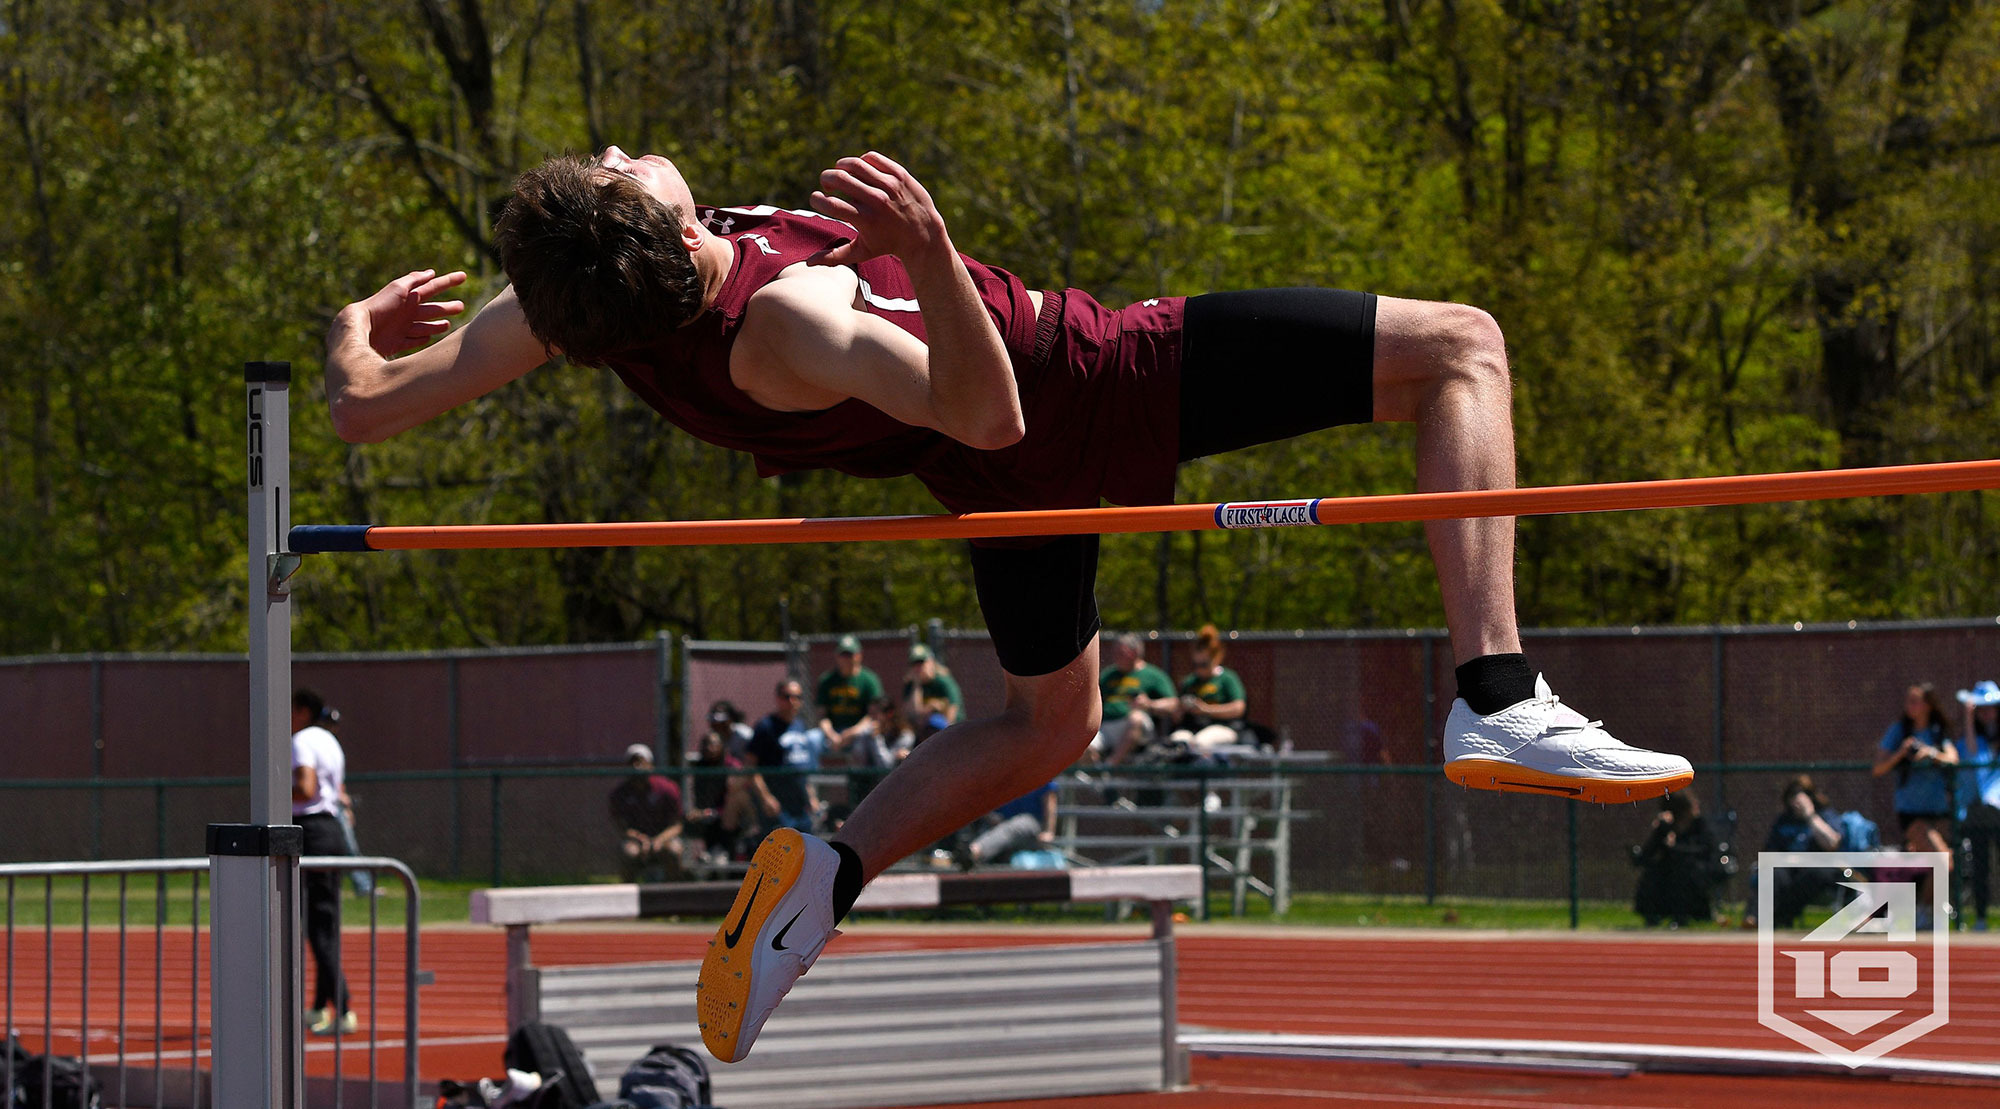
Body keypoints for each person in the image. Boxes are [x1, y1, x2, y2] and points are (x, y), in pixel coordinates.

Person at [324, 146, 1693, 1061]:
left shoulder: (573, 315)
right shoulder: (787, 316)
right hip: (1085, 383)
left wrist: (354, 328)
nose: (624, 147)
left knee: (1048, 726)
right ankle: (1499, 696)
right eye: (623, 167)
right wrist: (928, 248)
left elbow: (363, 412)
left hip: (1004, 489)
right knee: (1462, 348)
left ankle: (827, 876)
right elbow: (992, 407)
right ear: (677, 227)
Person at [291, 688, 356, 1036]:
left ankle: (343, 1007)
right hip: (330, 829)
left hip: (312, 830)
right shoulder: (330, 741)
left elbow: (305, 787)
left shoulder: (301, 741)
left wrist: (270, 791)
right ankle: (319, 1007)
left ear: (302, 711)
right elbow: (337, 790)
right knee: (323, 924)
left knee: (318, 928)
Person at [1872, 682, 1958, 923]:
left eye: (1915, 700)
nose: (1910, 705)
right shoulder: (1899, 731)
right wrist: (1901, 753)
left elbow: (1953, 760)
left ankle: (1926, 911)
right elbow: (1878, 767)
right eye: (1908, 700)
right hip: (1911, 812)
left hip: (1938, 811)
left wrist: (1930, 754)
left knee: (1943, 863)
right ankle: (1923, 912)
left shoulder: (1938, 732)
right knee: (1941, 860)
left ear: (1928, 704)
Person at [1750, 775, 1855, 929]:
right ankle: (1753, 918)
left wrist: (1810, 816)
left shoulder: (1826, 815)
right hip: (1787, 869)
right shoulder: (1784, 820)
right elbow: (1770, 851)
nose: (1797, 801)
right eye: (1793, 795)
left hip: (1814, 869)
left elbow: (1832, 844)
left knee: (1816, 874)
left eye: (1802, 794)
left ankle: (1782, 916)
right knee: (1772, 873)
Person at [1630, 791, 1722, 928]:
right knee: (1653, 873)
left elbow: (1705, 850)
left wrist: (1675, 846)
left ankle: (1681, 916)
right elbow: (1649, 852)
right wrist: (1660, 830)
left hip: (1697, 868)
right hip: (1670, 868)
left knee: (1681, 874)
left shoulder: (1700, 825)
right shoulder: (1667, 827)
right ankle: (1652, 914)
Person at [747, 678, 826, 832]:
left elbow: (803, 771)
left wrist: (811, 797)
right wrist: (766, 797)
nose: (792, 701)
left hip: (799, 803)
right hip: (777, 801)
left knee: (804, 847)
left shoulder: (800, 726)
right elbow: (750, 766)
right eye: (787, 696)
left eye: (797, 697)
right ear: (777, 698)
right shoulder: (766, 726)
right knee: (780, 849)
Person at [1092, 634, 1177, 764]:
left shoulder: (1152, 675)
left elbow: (1173, 704)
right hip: (1106, 725)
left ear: (1135, 652)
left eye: (1121, 652)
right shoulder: (1108, 675)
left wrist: (1149, 704)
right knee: (1085, 744)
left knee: (1136, 718)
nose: (1116, 656)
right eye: (1115, 652)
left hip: (1137, 727)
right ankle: (1092, 778)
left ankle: (1110, 765)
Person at [1956, 680, 2000, 931]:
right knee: (1981, 866)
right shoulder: (1972, 739)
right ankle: (1981, 916)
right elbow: (1972, 755)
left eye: (1991, 707)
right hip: (1979, 812)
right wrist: (1969, 719)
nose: (1988, 713)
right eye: (1982, 709)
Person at [1169, 625, 1249, 756]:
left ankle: (1204, 775)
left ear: (1216, 658)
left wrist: (1205, 709)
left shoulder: (1227, 678)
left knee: (1201, 742)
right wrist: (1180, 709)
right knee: (1177, 740)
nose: (1199, 669)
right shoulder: (1190, 681)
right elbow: (1177, 716)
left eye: (1203, 664)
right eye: (1195, 665)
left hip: (1223, 727)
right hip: (1192, 728)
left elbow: (1238, 708)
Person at [610, 743, 685, 881]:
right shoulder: (619, 793)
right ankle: (628, 895)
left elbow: (677, 825)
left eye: (641, 762)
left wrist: (659, 840)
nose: (636, 767)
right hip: (637, 841)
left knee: (674, 851)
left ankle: (673, 896)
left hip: (664, 839)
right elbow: (621, 826)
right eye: (632, 762)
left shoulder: (667, 788)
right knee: (628, 853)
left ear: (650, 765)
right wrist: (639, 838)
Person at [955, 776, 1061, 871]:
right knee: (989, 827)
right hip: (1001, 824)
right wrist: (990, 816)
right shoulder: (1006, 771)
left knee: (1018, 824)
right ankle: (961, 856)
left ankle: (974, 853)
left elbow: (1050, 802)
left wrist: (1049, 831)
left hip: (1032, 826)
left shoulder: (1040, 771)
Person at [900, 644, 963, 728]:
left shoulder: (943, 682)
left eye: (921, 663)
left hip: (949, 729)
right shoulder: (911, 685)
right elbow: (912, 713)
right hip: (923, 730)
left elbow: (952, 712)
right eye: (915, 664)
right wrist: (917, 685)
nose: (918, 668)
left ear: (931, 662)